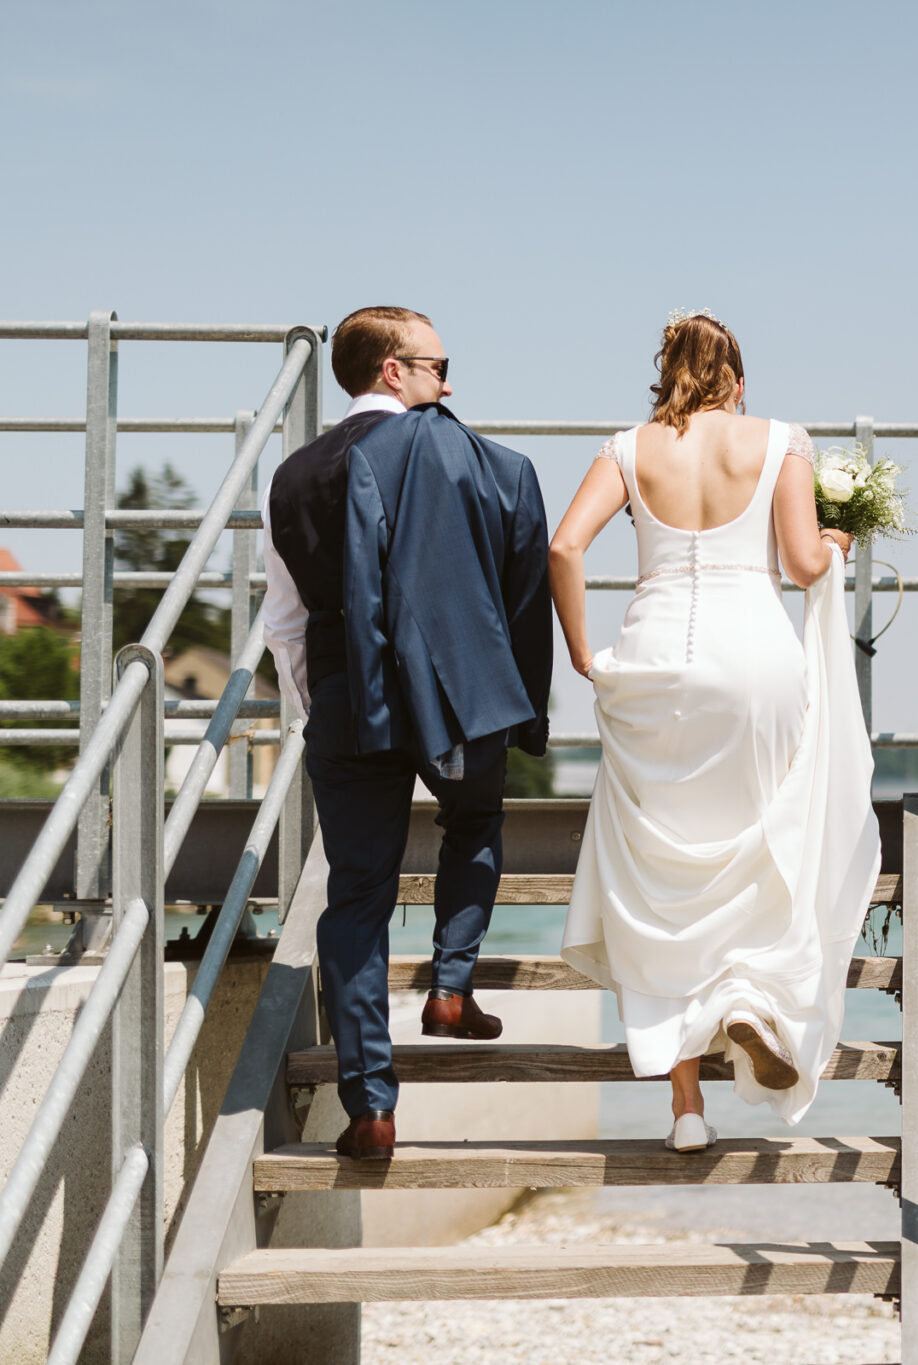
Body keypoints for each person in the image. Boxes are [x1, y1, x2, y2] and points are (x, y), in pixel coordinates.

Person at [549, 310, 880, 1152]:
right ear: (737, 380)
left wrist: (584, 651)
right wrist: (838, 542)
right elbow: (804, 564)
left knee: (658, 872)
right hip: (755, 661)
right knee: (758, 843)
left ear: (665, 375)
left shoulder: (628, 447)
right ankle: (749, 1003)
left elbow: (564, 547)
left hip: (656, 660)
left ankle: (685, 1109)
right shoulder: (780, 439)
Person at [262, 305, 553, 1161]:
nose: (449, 382)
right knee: (473, 820)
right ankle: (452, 984)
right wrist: (516, 699)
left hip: (347, 699)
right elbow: (518, 588)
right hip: (460, 691)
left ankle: (373, 1107)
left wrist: (322, 707)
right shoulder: (476, 460)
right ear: (394, 370)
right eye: (437, 364)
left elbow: (284, 620)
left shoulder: (292, 474)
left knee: (356, 894)